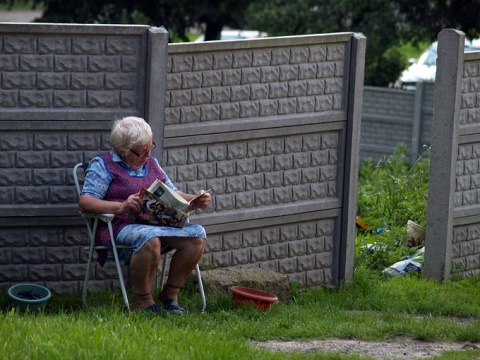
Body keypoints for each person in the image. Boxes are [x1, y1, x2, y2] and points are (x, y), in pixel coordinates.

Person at [79, 116, 211, 315]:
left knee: (197, 237)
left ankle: (170, 294)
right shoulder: (103, 165)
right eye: (142, 151)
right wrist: (122, 206)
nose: (148, 155)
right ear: (122, 150)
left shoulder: (151, 164)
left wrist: (194, 201)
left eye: (151, 148)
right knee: (150, 240)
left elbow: (173, 194)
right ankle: (142, 300)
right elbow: (85, 202)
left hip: (157, 223)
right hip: (119, 225)